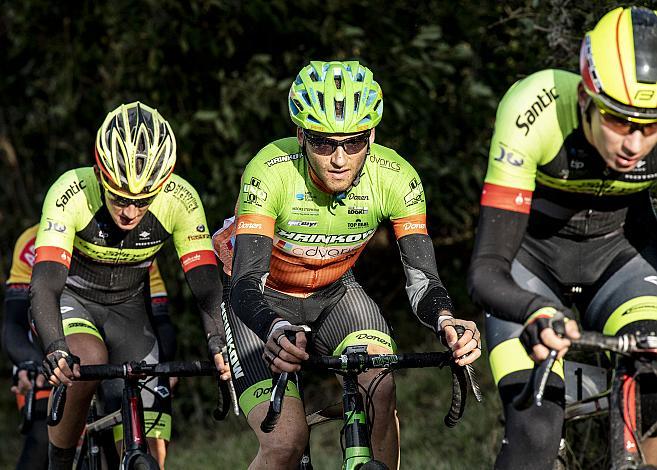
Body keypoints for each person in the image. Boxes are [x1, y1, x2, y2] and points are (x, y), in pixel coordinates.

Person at [214, 60, 481, 469]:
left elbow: (422, 280)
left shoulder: (396, 179)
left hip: (335, 293)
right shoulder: (270, 172)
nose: (339, 158)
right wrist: (272, 327)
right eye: (323, 143)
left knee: (382, 385)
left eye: (353, 142)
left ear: (371, 136)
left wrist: (446, 321)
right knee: (285, 442)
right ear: (301, 135)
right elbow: (246, 280)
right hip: (259, 303)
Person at [467, 6, 657, 469]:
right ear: (587, 96)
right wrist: (534, 311)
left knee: (653, 392)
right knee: (533, 430)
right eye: (618, 120)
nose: (634, 144)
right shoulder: (536, 109)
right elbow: (486, 267)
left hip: (623, 266)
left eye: (649, 126)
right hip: (530, 273)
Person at [29, 102, 229, 470]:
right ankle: (59, 462)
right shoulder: (71, 191)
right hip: (73, 299)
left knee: (150, 449)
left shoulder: (181, 199)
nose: (130, 213)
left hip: (129, 310)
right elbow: (44, 285)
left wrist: (219, 341)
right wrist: (56, 348)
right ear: (99, 173)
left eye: (143, 201)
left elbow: (205, 286)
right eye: (120, 197)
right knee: (86, 359)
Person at [3, 223, 177, 469]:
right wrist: (26, 361)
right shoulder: (32, 240)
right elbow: (14, 320)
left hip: (118, 344)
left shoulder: (136, 242)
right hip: (53, 349)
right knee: (40, 440)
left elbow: (158, 318)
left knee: (129, 439)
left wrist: (165, 366)